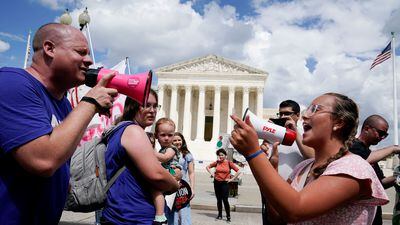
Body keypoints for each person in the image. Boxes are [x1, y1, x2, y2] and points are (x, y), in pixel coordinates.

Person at [0, 23, 118, 225]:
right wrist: (90, 103)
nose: (89, 60)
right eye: (80, 52)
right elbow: (43, 160)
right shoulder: (11, 83)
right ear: (49, 49)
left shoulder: (63, 104)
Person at [230, 92, 389, 224]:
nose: (305, 115)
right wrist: (270, 167)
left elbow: (296, 210)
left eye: (315, 109)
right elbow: (278, 217)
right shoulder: (303, 167)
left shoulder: (354, 168)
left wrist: (253, 154)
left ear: (339, 122)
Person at [101, 90, 180, 225]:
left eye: (155, 106)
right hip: (134, 215)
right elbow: (157, 175)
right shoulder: (134, 131)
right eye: (146, 105)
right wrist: (174, 185)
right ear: (133, 106)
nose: (152, 110)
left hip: (120, 212)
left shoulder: (120, 129)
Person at [261, 100, 314, 224]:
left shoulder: (306, 133)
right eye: (280, 114)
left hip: (295, 194)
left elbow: (312, 157)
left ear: (297, 115)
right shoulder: (274, 134)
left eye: (287, 114)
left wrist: (294, 132)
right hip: (272, 191)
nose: (283, 117)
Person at [349, 115, 400, 225]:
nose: (382, 138)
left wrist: (396, 178)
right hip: (359, 215)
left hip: (373, 214)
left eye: (385, 135)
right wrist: (393, 148)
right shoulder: (353, 147)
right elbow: (364, 160)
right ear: (367, 128)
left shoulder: (370, 153)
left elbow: (380, 183)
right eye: (381, 133)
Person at [152, 117, 181, 224]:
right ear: (156, 136)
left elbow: (165, 158)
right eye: (163, 135)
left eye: (170, 135)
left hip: (171, 172)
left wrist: (149, 152)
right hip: (168, 172)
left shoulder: (171, 148)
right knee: (157, 192)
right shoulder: (162, 149)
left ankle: (160, 216)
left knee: (156, 191)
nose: (167, 138)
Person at [206, 148, 241, 222]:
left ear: (225, 155)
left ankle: (228, 216)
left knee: (225, 200)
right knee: (219, 200)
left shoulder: (229, 163)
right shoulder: (217, 162)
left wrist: (232, 179)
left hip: (225, 183)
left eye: (222, 155)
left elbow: (238, 171)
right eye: (219, 155)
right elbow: (207, 167)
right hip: (216, 182)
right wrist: (212, 174)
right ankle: (220, 215)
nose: (220, 156)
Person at [168, 132, 196, 225]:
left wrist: (192, 188)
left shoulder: (187, 155)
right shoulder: (168, 153)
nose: (177, 142)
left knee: (184, 213)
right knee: (172, 213)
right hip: (171, 188)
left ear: (182, 141)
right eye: (174, 140)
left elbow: (191, 173)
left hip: (183, 188)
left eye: (179, 140)